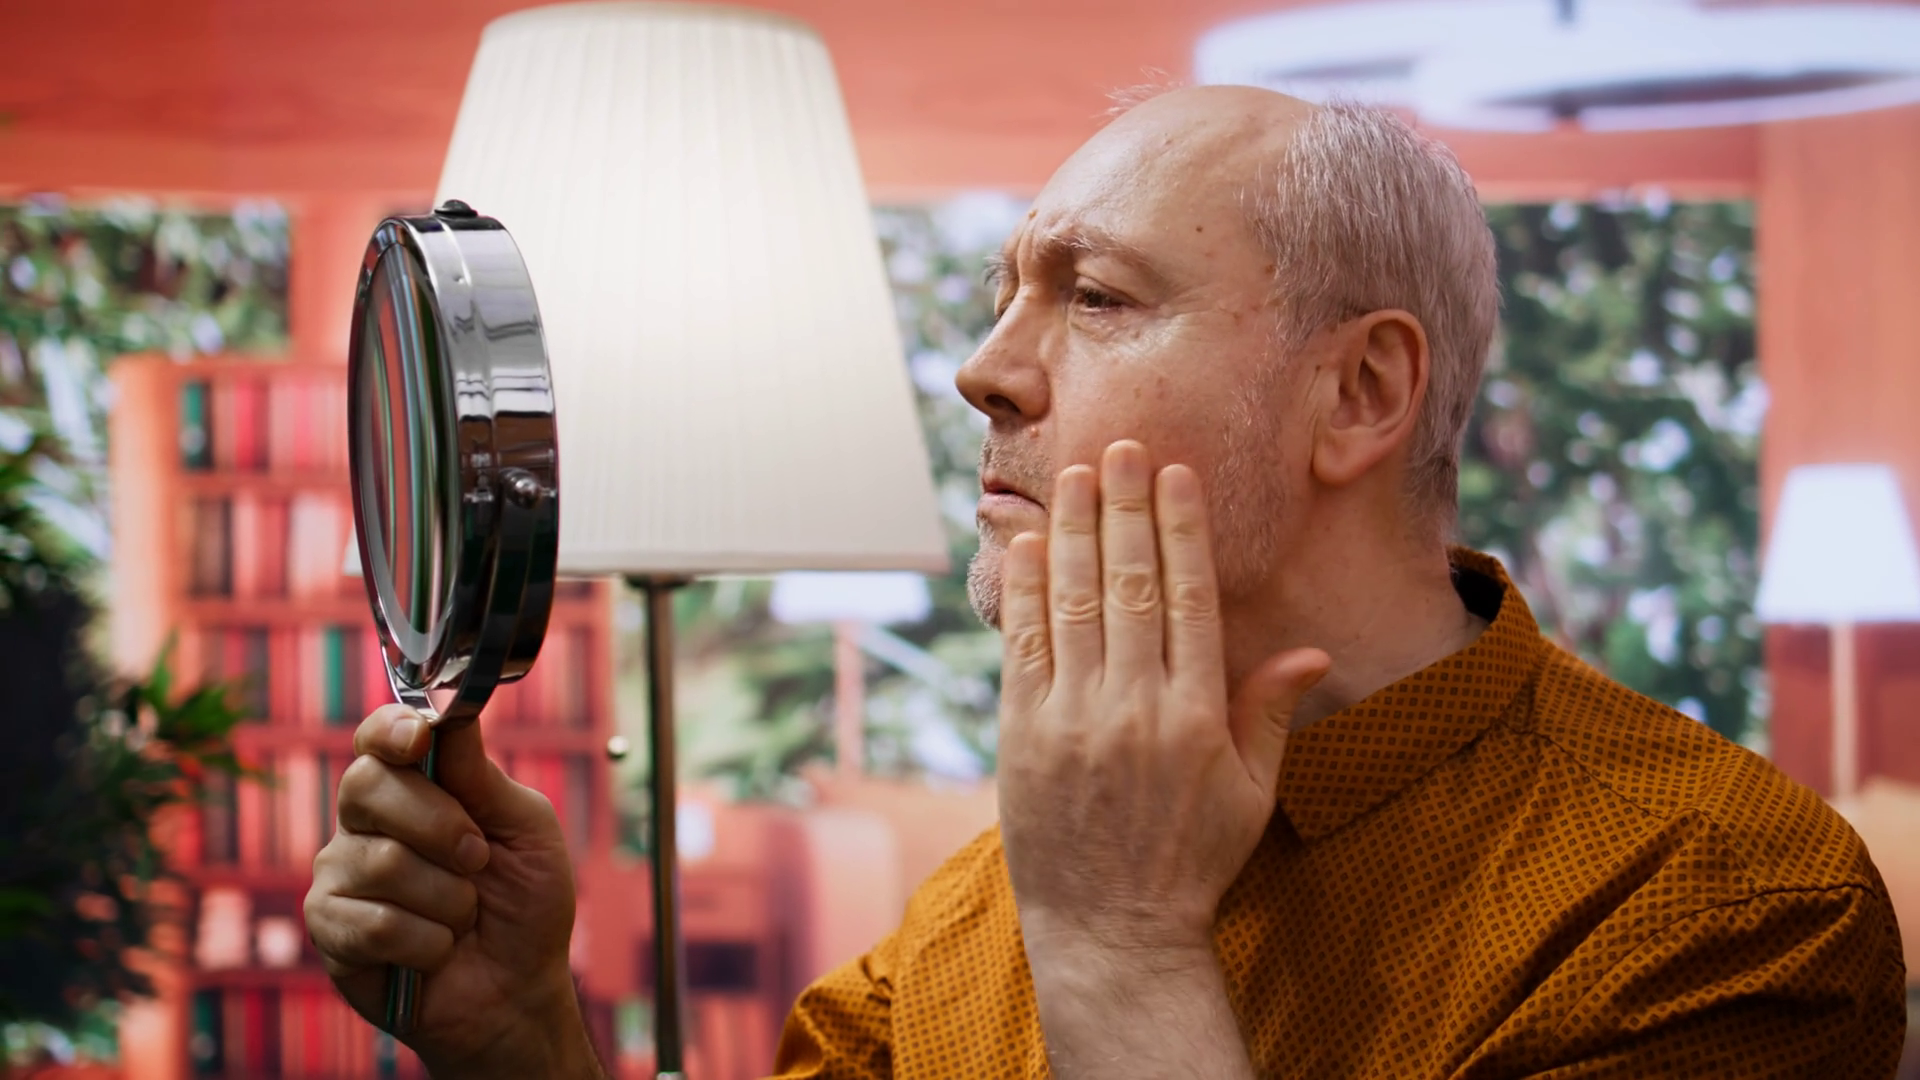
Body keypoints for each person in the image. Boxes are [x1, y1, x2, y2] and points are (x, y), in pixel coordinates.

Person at [305, 86, 1907, 1078]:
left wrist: (1124, 950)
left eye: (1097, 297)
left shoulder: (1723, 913)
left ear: (1360, 394)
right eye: (1007, 291)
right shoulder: (975, 909)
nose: (983, 371)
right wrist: (526, 1041)